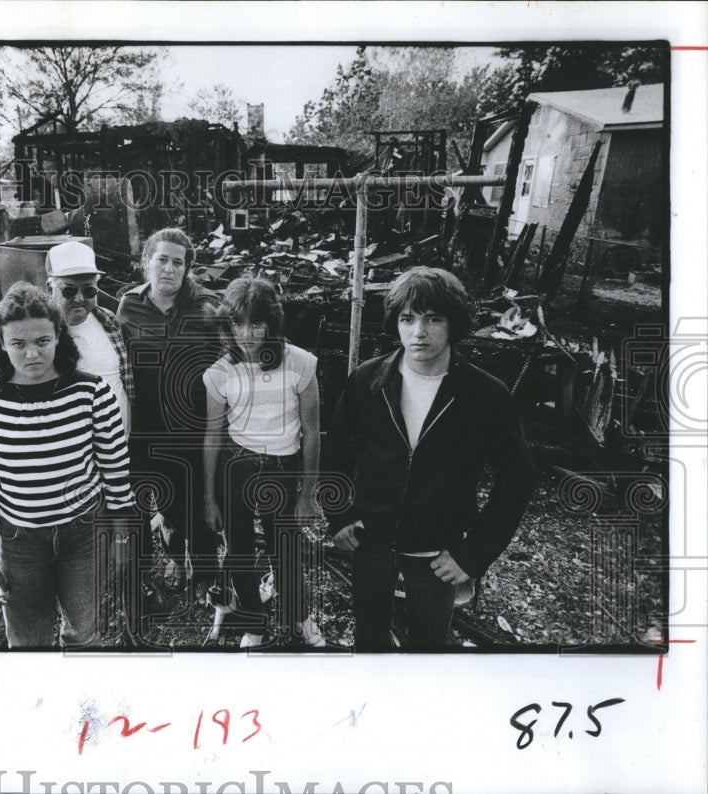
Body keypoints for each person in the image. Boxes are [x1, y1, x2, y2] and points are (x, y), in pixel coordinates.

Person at [326, 266, 535, 651]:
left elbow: (517, 478)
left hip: (437, 554)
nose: (418, 333)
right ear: (396, 322)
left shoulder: (486, 395)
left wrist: (473, 555)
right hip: (370, 544)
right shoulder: (367, 380)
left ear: (453, 323)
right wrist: (338, 514)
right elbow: (336, 450)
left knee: (427, 647)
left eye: (432, 319)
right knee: (369, 641)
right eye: (407, 319)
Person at [0, 281, 135, 648]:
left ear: (58, 336)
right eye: (18, 344)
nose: (32, 355)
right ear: (1, 344)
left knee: (85, 633)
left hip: (84, 534)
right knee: (27, 642)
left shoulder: (92, 392)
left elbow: (116, 468)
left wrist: (120, 535)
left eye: (42, 341)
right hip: (20, 543)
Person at [203, 277, 326, 648]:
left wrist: (308, 494)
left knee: (283, 546)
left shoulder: (302, 364)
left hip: (283, 466)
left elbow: (312, 431)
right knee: (239, 548)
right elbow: (212, 437)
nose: (247, 334)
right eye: (238, 324)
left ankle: (300, 615)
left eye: (256, 323)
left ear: (272, 323)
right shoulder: (219, 373)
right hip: (238, 467)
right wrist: (208, 497)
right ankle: (253, 623)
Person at [116, 228, 224, 598]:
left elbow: (229, 362)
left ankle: (207, 571)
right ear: (146, 262)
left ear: (188, 268)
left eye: (178, 262)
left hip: (195, 424)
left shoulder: (209, 305)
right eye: (161, 259)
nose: (169, 269)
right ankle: (177, 557)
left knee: (201, 497)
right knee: (165, 500)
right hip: (146, 425)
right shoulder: (128, 305)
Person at [47, 240, 133, 436]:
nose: (79, 298)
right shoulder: (35, 330)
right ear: (49, 288)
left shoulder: (108, 320)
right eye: (69, 290)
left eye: (88, 290)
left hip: (119, 445)